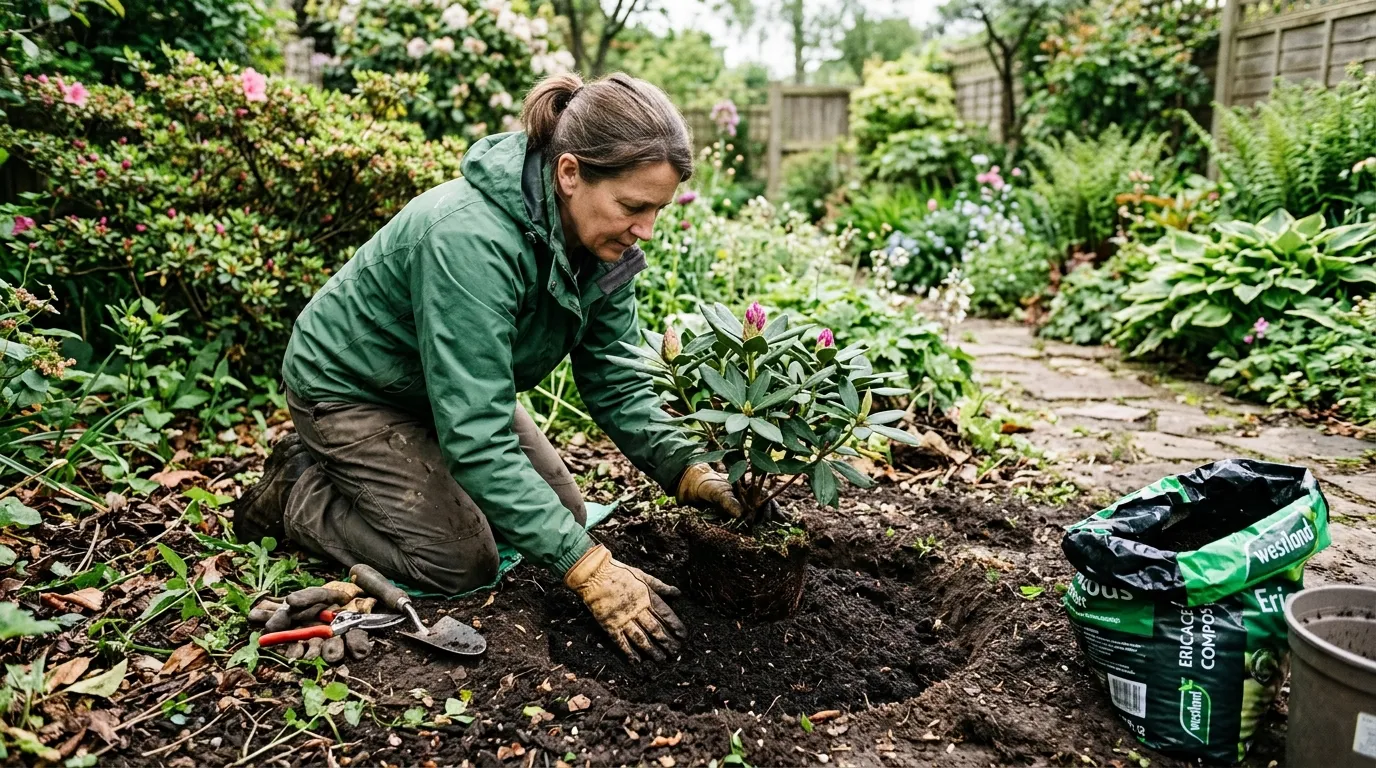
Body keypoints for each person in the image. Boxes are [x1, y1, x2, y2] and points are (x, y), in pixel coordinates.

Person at [230, 72, 755, 665]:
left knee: (568, 516)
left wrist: (690, 471)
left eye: (656, 210)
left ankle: (393, 480)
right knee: (461, 561)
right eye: (633, 207)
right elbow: (477, 438)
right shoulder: (469, 239)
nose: (646, 231)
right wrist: (589, 570)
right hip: (353, 389)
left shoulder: (603, 248)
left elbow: (614, 378)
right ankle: (299, 490)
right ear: (569, 172)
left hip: (447, 388)